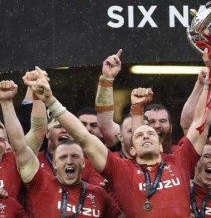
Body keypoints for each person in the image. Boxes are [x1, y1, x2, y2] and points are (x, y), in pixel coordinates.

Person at [27, 63, 211, 217]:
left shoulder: (179, 161)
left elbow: (203, 120)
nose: (146, 136)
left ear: (161, 145)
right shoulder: (121, 170)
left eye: (151, 133)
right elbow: (84, 137)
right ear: (132, 150)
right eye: (139, 135)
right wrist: (50, 100)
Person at [0, 80, 121, 217]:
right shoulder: (40, 183)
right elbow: (19, 146)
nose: (69, 161)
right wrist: (6, 103)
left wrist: (119, 193)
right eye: (63, 157)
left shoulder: (99, 195)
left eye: (75, 156)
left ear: (84, 162)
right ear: (55, 163)